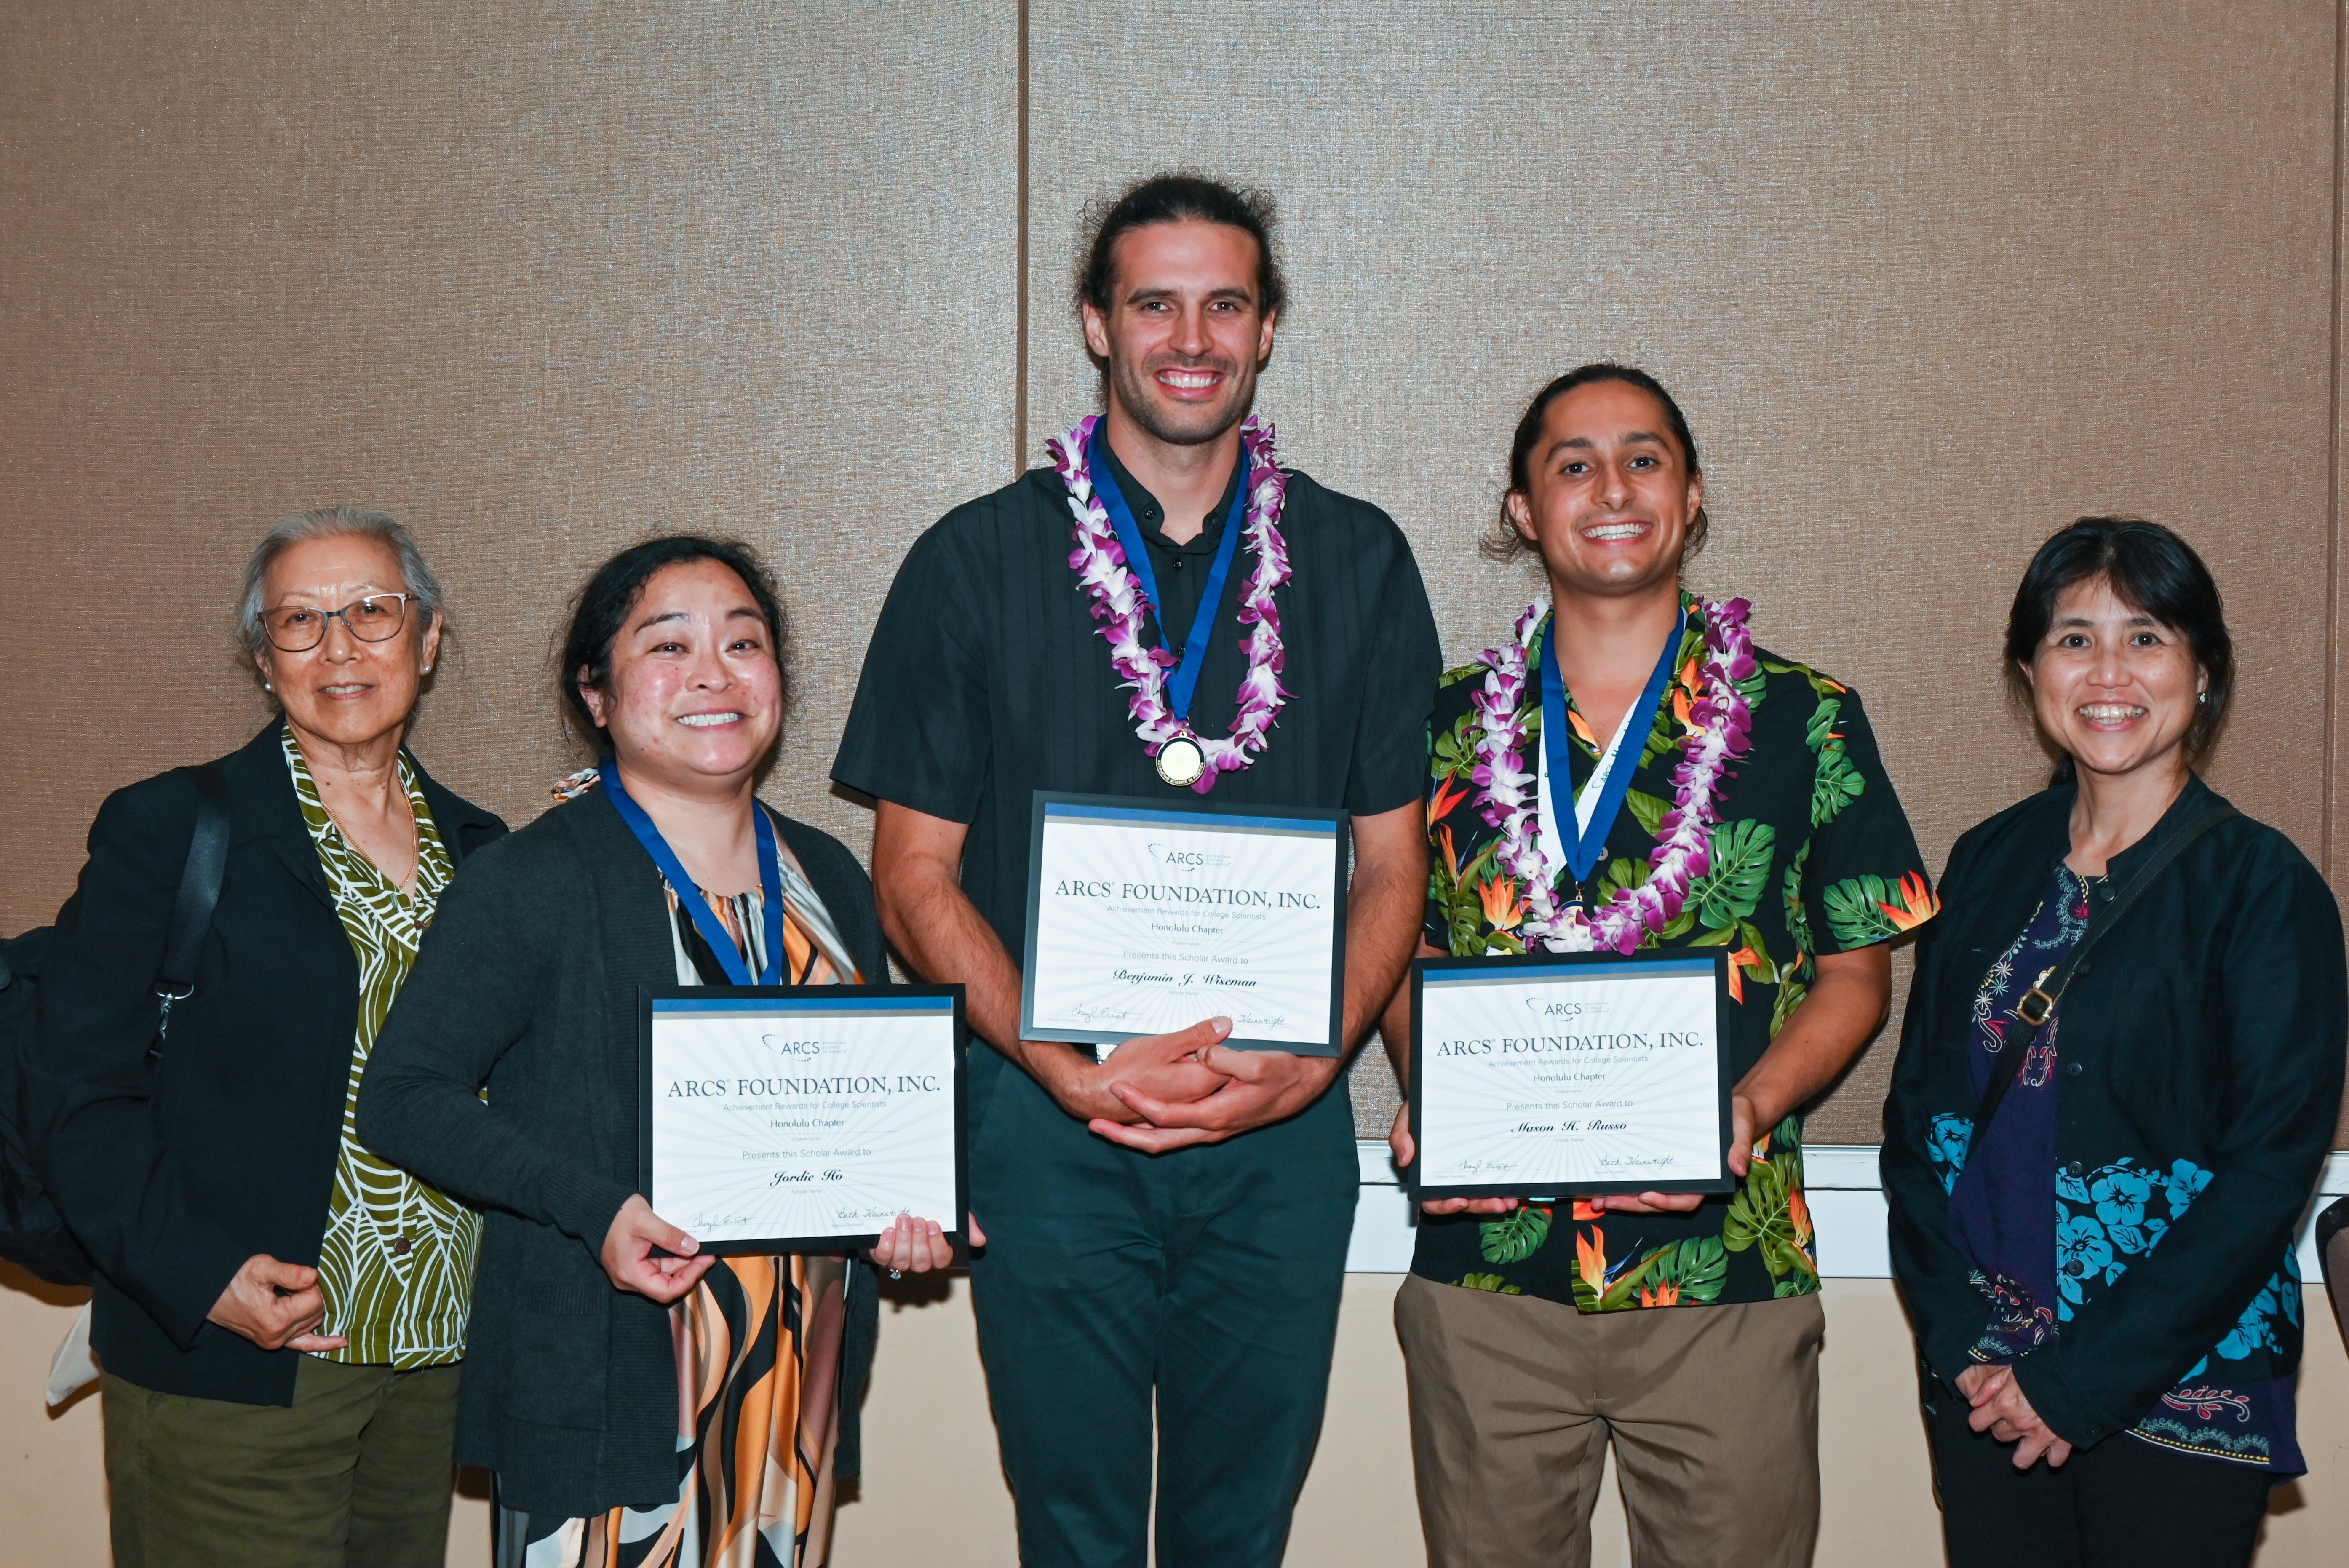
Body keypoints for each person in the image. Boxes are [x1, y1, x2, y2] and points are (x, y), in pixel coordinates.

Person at [831, 173, 1441, 1567]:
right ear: (1096, 324)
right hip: (1048, 1124)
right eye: (1154, 303)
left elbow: (1393, 866)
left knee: (1241, 1532)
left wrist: (1314, 1063)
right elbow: (912, 874)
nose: (1190, 337)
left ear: (1267, 329)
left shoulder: (1357, 559)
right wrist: (1057, 1063)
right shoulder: (972, 561)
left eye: (1224, 304)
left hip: (1277, 1128)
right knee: (1075, 1528)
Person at [1382, 364, 1937, 1568]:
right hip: (1488, 1275)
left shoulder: (1807, 718)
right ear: (1525, 509)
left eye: (1644, 459)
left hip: (1726, 1268)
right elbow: (1403, 945)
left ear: (1689, 497)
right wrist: (1438, 1089)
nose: (1611, 488)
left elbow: (1857, 974)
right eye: (1571, 464)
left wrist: (1748, 1104)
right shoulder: (1436, 725)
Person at [357, 536, 962, 1567]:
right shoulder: (533, 878)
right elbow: (406, 1095)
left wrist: (909, 1206)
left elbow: (865, 1099)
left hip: (790, 1391)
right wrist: (592, 1209)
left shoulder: (826, 873)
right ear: (596, 692)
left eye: (743, 643)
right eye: (669, 646)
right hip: (608, 1384)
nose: (713, 675)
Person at [26, 507, 506, 1566]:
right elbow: (77, 1092)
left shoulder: (484, 852)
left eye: (372, 611)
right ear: (263, 656)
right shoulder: (173, 827)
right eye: (300, 620)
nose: (339, 646)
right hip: (236, 1357)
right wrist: (202, 1274)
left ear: (427, 638)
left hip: (431, 1363)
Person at [1882, 518, 2346, 1568]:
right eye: (2072, 638)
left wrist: (2072, 1381)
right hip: (1984, 1385)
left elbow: (2267, 1172)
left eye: (2145, 637)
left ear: (2203, 670)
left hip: (2179, 1390)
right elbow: (1916, 1126)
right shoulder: (1985, 861)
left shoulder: (2262, 888)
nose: (2107, 673)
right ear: (2028, 669)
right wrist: (1960, 1343)